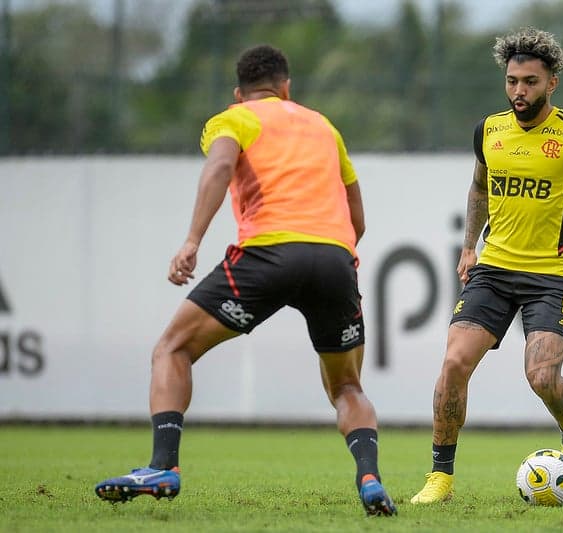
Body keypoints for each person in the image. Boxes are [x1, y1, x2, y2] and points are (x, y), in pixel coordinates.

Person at [94, 44, 397, 517]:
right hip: (336, 259)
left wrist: (192, 240)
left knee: (172, 349)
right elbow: (357, 216)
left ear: (240, 93)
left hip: (268, 254)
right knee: (346, 388)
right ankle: (370, 477)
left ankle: (163, 466)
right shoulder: (323, 126)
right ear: (287, 87)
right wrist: (329, 255)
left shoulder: (233, 119)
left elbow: (218, 167)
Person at [410, 27, 563, 504]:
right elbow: (479, 189)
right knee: (454, 363)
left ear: (552, 83)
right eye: (512, 81)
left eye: (530, 82)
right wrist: (467, 246)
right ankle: (440, 479)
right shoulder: (489, 130)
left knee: (542, 378)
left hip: (550, 276)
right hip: (493, 270)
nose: (519, 91)